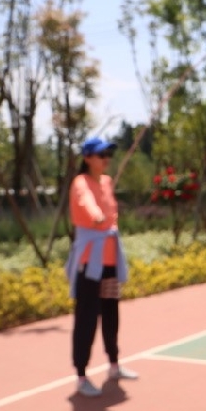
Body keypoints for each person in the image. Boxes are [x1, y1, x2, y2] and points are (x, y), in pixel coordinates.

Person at [65, 137, 133, 397]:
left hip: (109, 261)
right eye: (101, 155)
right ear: (87, 158)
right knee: (87, 318)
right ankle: (81, 376)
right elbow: (86, 202)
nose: (106, 159)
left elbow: (111, 212)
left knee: (111, 313)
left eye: (109, 155)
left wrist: (107, 220)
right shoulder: (80, 182)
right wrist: (96, 216)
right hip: (89, 263)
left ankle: (114, 364)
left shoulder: (106, 181)